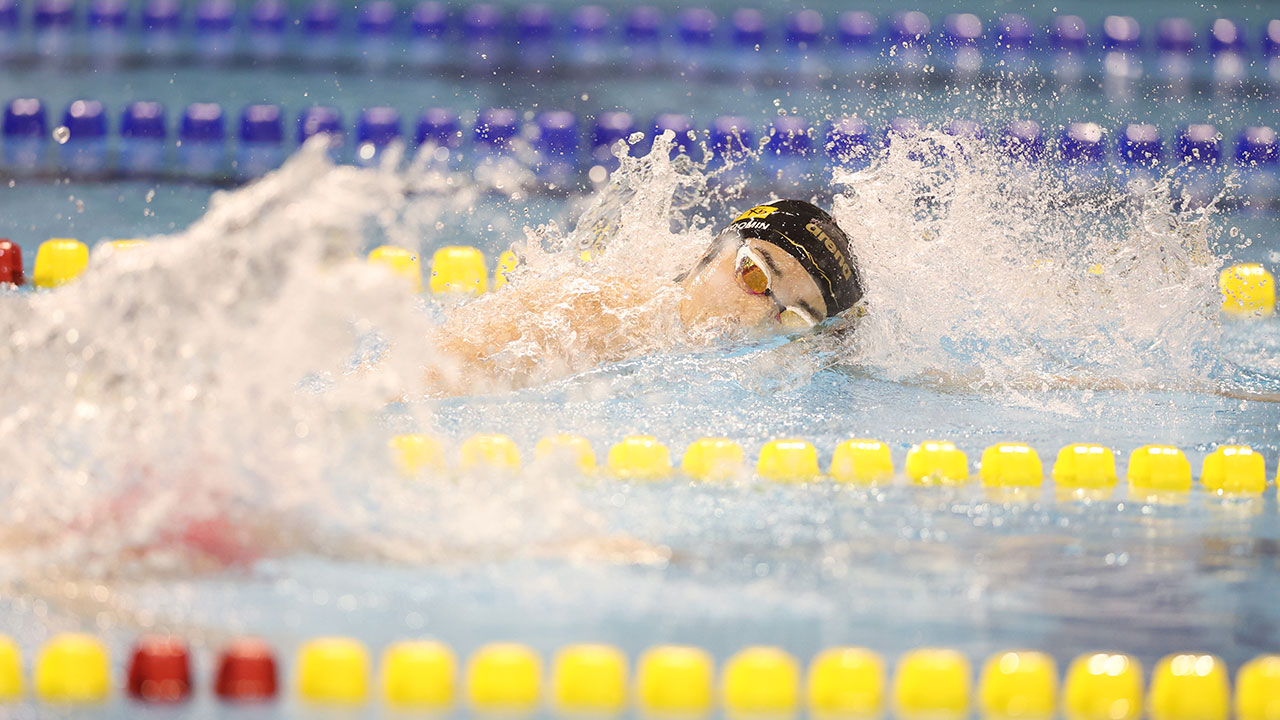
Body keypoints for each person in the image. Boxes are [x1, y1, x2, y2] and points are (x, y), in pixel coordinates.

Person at [418, 199, 865, 395]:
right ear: (711, 252)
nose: (754, 318)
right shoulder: (590, 314)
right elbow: (411, 380)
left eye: (792, 317)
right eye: (754, 274)